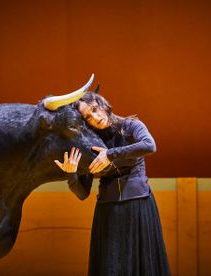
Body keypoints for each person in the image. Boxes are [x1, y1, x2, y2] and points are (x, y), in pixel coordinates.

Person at [54, 90, 171, 276]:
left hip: (138, 206)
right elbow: (83, 193)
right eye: (88, 117)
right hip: (108, 212)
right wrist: (71, 175)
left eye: (94, 109)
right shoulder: (92, 142)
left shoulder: (131, 125)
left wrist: (110, 154)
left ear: (102, 104)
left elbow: (149, 145)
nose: (94, 117)